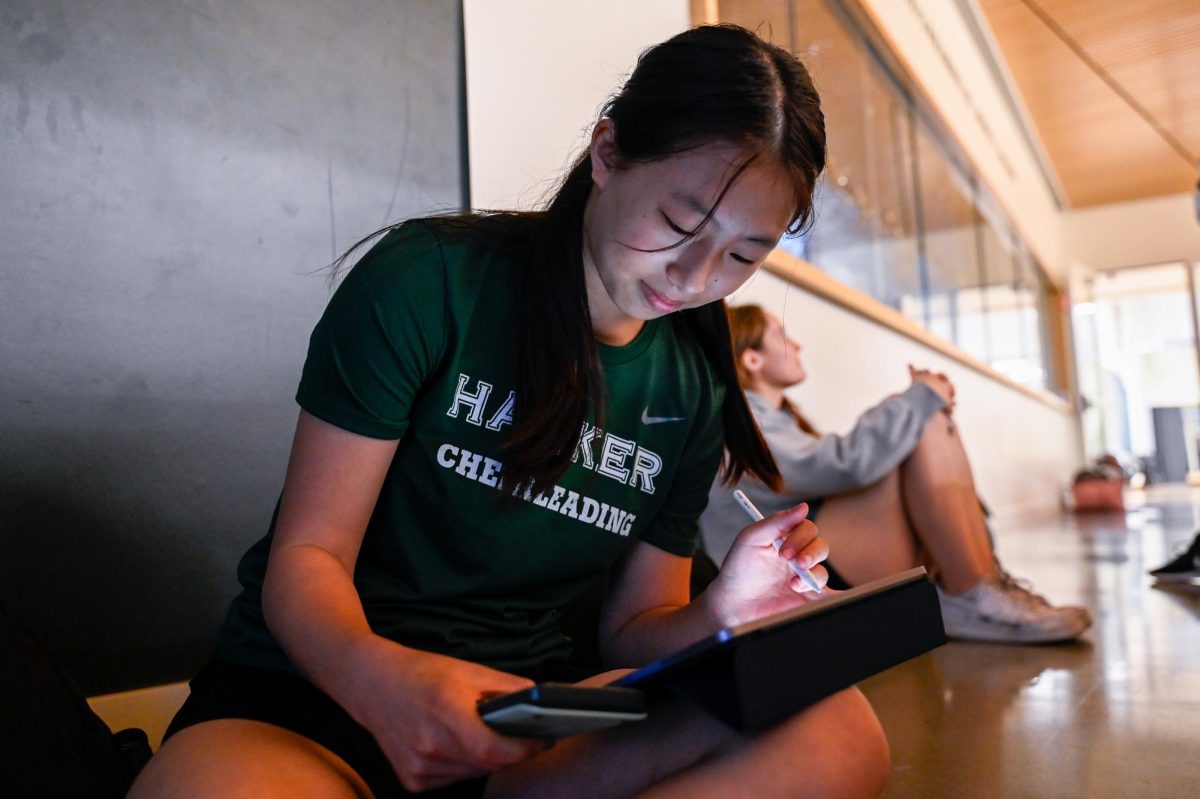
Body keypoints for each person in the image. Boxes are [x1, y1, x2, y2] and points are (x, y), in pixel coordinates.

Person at [129, 25, 892, 799]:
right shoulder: (430, 283)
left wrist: (723, 609)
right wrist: (385, 683)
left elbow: (632, 629)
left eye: (741, 255)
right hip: (312, 699)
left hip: (520, 728)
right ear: (607, 152)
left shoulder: (690, 385)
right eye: (680, 224)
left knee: (840, 730)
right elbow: (308, 557)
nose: (696, 276)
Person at [701, 304, 1092, 645]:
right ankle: (971, 594)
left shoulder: (773, 418)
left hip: (823, 554)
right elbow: (843, 464)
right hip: (802, 572)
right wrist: (916, 399)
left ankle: (980, 587)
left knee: (926, 417)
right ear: (752, 359)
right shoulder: (741, 416)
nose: (797, 344)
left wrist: (920, 403)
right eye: (783, 336)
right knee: (921, 420)